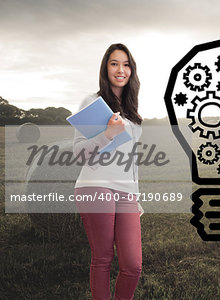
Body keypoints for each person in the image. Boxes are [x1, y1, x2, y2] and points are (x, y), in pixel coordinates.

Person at [73, 43, 144, 300]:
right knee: (103, 258)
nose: (120, 69)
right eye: (114, 63)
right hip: (95, 184)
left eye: (126, 64)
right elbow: (79, 152)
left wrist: (136, 198)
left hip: (126, 190)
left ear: (131, 70)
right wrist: (107, 134)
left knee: (133, 265)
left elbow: (132, 161)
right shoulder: (92, 102)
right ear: (106, 68)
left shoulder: (133, 112)